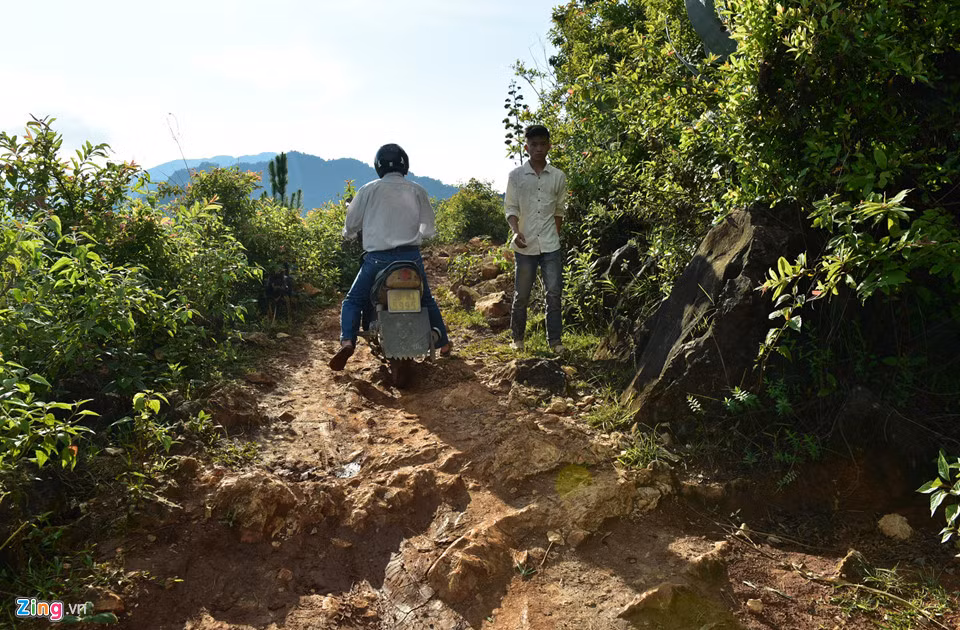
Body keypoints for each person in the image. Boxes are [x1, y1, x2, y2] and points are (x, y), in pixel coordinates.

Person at [329, 143, 451, 371]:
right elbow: (429, 228)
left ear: (378, 166)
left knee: (353, 300)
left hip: (377, 260)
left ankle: (347, 341)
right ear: (405, 165)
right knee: (426, 300)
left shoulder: (368, 190)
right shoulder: (417, 190)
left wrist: (349, 233)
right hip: (411, 258)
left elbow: (351, 224)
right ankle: (443, 344)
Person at [504, 125, 568, 353]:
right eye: (534, 145)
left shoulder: (558, 177)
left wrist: (554, 236)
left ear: (549, 145)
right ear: (526, 147)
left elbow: (559, 211)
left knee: (554, 293)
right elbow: (510, 208)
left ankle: (555, 342)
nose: (539, 148)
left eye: (543, 144)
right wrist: (515, 230)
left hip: (551, 245)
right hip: (525, 245)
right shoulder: (516, 176)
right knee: (522, 294)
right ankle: (517, 339)